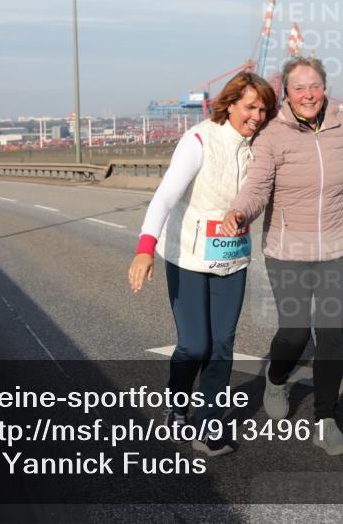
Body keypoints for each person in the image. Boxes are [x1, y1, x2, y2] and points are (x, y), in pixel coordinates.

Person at [222, 56, 343, 456]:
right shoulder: (273, 133)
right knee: (295, 333)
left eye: (315, 85)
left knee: (332, 332)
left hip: (337, 247)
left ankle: (326, 420)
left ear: (325, 88)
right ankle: (276, 378)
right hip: (288, 249)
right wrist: (241, 212)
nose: (308, 94)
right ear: (286, 93)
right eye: (299, 87)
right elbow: (257, 187)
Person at [128, 71, 277, 457]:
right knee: (195, 346)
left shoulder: (261, 148)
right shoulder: (198, 140)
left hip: (233, 258)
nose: (257, 117)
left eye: (263, 109)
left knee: (222, 344)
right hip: (188, 257)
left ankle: (209, 424)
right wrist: (145, 248)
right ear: (228, 105)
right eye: (250, 107)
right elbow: (163, 198)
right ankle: (177, 406)